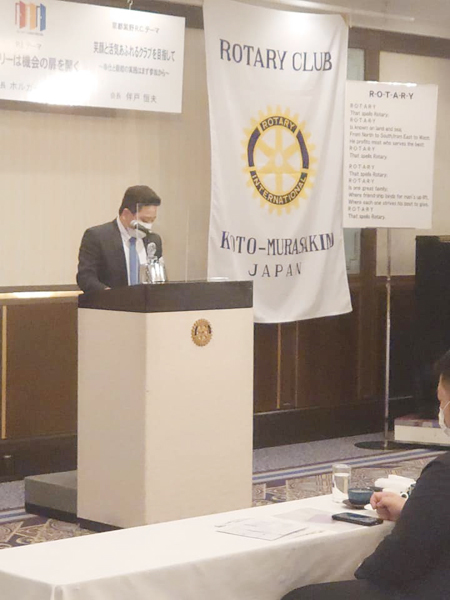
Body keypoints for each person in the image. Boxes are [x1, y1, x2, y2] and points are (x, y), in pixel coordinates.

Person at [281, 348, 450, 600]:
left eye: (441, 402)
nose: (441, 412)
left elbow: (403, 557)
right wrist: (413, 511)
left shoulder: (443, 473)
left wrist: (365, 570)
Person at [77, 185, 163, 293]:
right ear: (125, 214)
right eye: (144, 220)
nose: (148, 226)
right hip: (111, 302)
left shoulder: (153, 240)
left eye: (152, 220)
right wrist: (111, 295)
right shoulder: (97, 237)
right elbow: (85, 277)